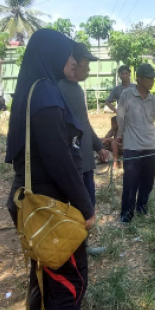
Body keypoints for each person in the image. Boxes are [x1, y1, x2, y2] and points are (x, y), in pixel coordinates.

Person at [5, 29, 105, 310]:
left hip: (33, 203)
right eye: (69, 56)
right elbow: (60, 158)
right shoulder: (47, 92)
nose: (73, 63)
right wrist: (85, 206)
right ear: (52, 55)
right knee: (70, 287)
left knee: (45, 279)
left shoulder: (30, 89)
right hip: (53, 206)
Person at [57, 44, 111, 204]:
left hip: (85, 162)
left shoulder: (77, 89)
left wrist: (98, 146)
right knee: (79, 211)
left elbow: (84, 123)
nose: (88, 70)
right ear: (73, 63)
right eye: (85, 64)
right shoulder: (59, 88)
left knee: (88, 207)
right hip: (73, 165)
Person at [116, 63, 155, 224]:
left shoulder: (153, 99)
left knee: (148, 182)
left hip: (151, 146)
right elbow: (121, 119)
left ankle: (142, 207)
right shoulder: (126, 95)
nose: (152, 81)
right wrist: (119, 137)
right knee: (130, 182)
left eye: (154, 78)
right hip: (132, 147)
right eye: (149, 78)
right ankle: (126, 215)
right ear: (139, 79)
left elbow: (151, 120)